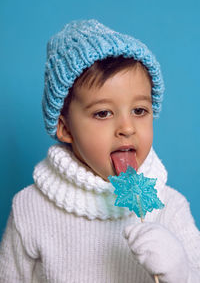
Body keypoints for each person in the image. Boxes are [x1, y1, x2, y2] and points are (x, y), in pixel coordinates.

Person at [0, 19, 199, 283]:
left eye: (139, 111)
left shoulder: (170, 207)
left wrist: (181, 273)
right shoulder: (29, 209)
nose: (127, 128)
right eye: (103, 113)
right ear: (65, 128)